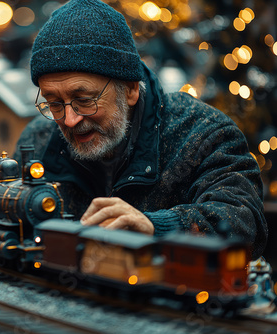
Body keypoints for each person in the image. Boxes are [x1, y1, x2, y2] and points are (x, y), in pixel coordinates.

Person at [14, 0, 267, 259]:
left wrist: (158, 228)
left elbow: (246, 224)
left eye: (84, 100)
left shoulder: (204, 135)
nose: (69, 120)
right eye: (54, 103)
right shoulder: (38, 140)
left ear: (131, 89)